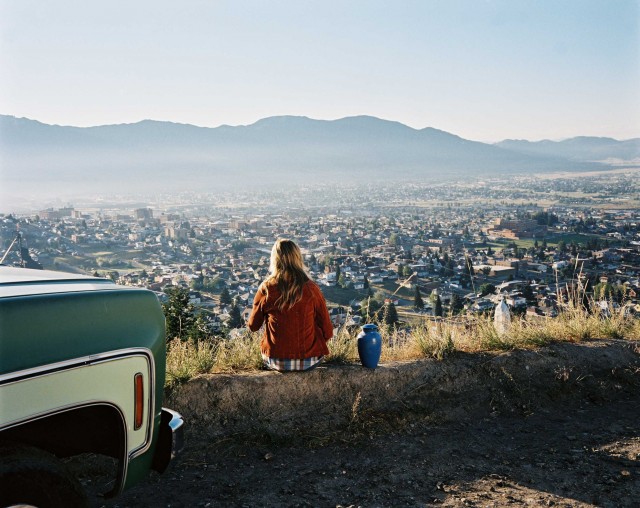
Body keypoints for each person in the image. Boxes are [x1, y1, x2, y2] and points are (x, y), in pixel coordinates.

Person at [247, 238, 333, 371]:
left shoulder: (266, 289)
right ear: (298, 258)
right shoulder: (311, 289)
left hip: (275, 359)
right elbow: (328, 331)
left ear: (274, 260)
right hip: (309, 360)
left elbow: (253, 326)